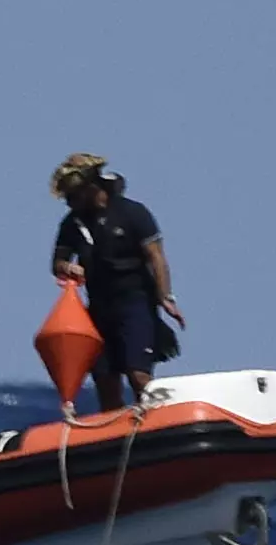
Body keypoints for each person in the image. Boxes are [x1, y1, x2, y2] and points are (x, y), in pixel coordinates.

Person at [48, 154, 182, 411]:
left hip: (135, 302)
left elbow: (156, 256)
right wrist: (68, 267)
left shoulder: (132, 213)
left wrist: (166, 297)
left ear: (90, 188)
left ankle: (153, 423)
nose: (70, 202)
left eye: (74, 195)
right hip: (98, 308)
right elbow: (57, 262)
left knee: (138, 374)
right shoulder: (72, 224)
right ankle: (116, 436)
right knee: (105, 379)